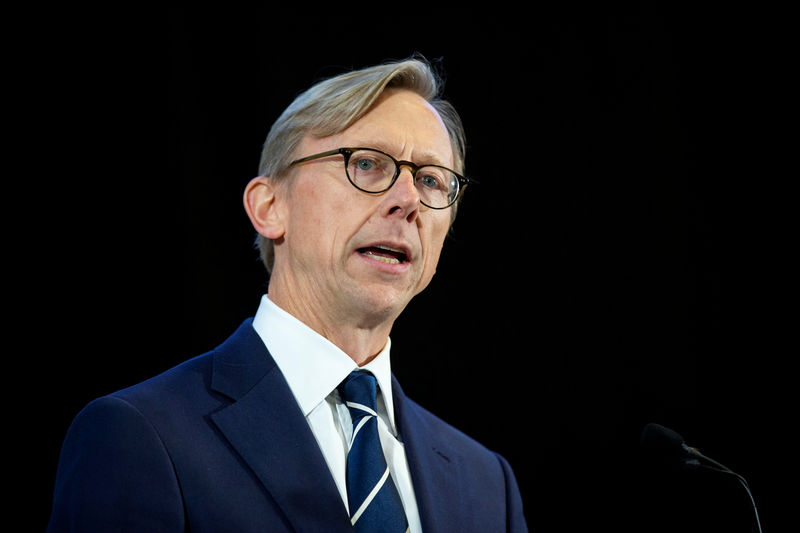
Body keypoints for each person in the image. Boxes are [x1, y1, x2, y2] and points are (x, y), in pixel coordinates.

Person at [47, 56, 528, 532]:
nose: (407, 201)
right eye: (367, 164)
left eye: (429, 180)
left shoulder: (486, 483)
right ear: (269, 206)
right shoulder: (139, 437)